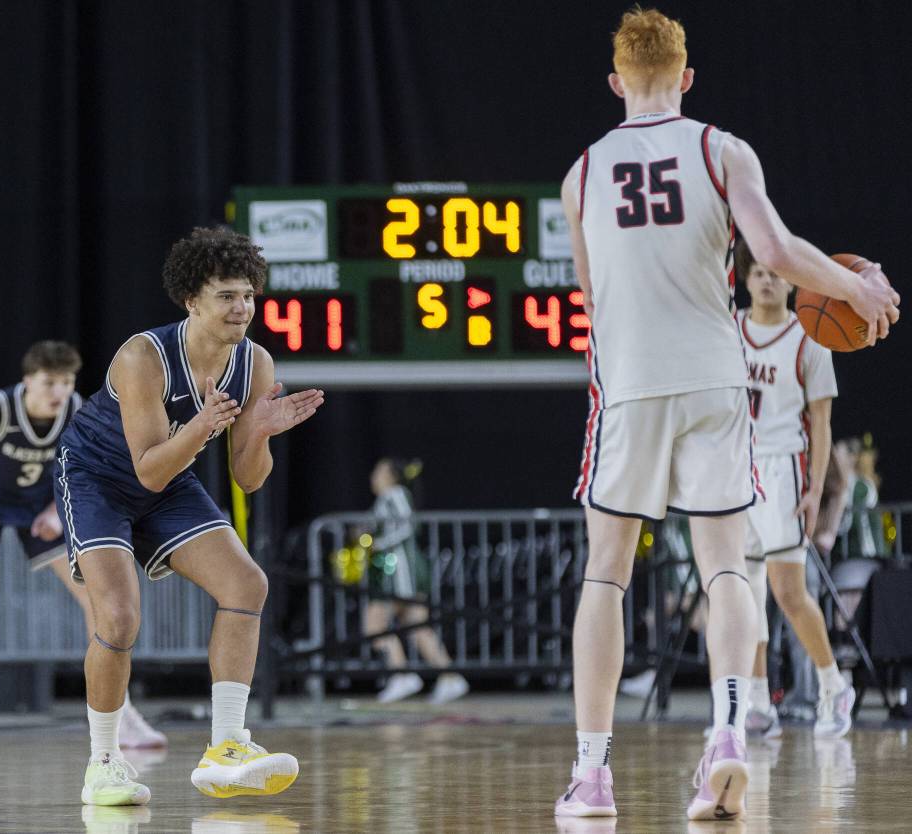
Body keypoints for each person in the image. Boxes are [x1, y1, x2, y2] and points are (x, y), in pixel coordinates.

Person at [554, 7, 898, 822]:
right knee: (726, 568)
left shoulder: (581, 173)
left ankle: (594, 777)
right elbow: (774, 250)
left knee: (606, 571)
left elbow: (590, 298)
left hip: (631, 385)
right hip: (716, 376)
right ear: (688, 77)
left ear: (615, 83)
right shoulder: (720, 148)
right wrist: (855, 286)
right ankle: (728, 735)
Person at [55, 227, 324, 806]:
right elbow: (148, 468)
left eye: (249, 295)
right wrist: (203, 426)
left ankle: (227, 746)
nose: (242, 307)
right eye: (227, 295)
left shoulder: (253, 362)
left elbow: (247, 478)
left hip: (169, 476)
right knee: (121, 617)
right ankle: (103, 763)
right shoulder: (142, 356)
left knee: (247, 582)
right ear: (191, 300)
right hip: (97, 478)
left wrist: (261, 432)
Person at [0, 342, 167, 754]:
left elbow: (88, 462)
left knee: (100, 604)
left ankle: (123, 717)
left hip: (39, 508)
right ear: (28, 381)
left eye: (66, 382)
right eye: (49, 382)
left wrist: (53, 509)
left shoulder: (76, 409)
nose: (58, 391)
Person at [736, 236, 856, 739]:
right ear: (745, 278)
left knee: (788, 592)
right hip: (732, 469)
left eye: (776, 273)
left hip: (784, 468)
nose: (767, 280)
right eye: (758, 272)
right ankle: (759, 701)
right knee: (740, 593)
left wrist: (813, 489)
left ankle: (833, 685)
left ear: (793, 281)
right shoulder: (728, 330)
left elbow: (822, 425)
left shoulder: (810, 339)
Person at [362, 458, 469, 705]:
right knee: (418, 627)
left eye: (378, 472)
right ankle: (450, 677)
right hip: (400, 570)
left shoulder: (395, 494)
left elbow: (408, 526)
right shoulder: (390, 496)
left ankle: (401, 675)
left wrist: (378, 544)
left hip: (400, 572)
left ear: (391, 476)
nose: (373, 477)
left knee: (375, 626)